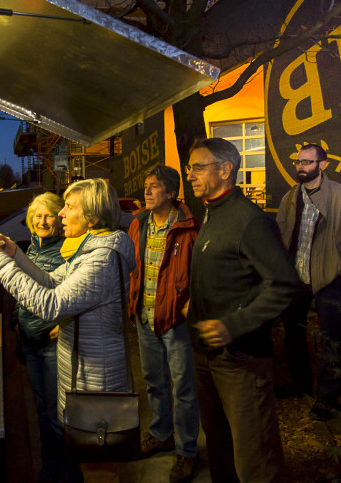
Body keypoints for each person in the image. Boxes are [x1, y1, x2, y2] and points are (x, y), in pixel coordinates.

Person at [0, 178, 136, 483]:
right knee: (87, 461)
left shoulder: (99, 260)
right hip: (85, 374)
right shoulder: (89, 251)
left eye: (69, 207)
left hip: (95, 381)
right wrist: (14, 256)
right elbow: (51, 280)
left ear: (92, 215)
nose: (61, 214)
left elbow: (50, 304)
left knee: (98, 469)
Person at [185, 137, 305, 482]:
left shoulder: (250, 221)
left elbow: (285, 286)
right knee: (220, 449)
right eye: (189, 168)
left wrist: (233, 325)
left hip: (241, 360)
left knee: (255, 459)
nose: (190, 175)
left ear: (225, 170)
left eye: (198, 167)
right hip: (207, 356)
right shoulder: (211, 214)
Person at [275, 143, 341, 421]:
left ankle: (328, 397)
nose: (301, 166)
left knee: (331, 339)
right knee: (293, 334)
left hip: (328, 280)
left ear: (323, 165)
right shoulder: (290, 198)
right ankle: (300, 383)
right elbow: (282, 235)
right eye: (298, 161)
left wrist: (339, 269)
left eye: (308, 162)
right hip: (296, 278)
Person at [127, 165, 200, 483]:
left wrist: (188, 307)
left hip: (175, 321)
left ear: (171, 193)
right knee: (154, 382)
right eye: (146, 186)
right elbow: (133, 268)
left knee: (184, 388)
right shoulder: (139, 223)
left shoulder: (188, 226)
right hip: (145, 317)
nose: (147, 191)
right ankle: (161, 434)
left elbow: (199, 275)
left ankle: (187, 451)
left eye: (154, 186)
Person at [12, 193, 66, 483]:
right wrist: (15, 323)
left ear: (59, 218)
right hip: (30, 343)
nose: (41, 221)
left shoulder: (66, 252)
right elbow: (20, 292)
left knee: (58, 416)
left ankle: (66, 473)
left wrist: (66, 324)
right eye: (36, 215)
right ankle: (49, 467)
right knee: (42, 410)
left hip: (51, 345)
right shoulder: (31, 249)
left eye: (47, 215)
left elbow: (75, 296)